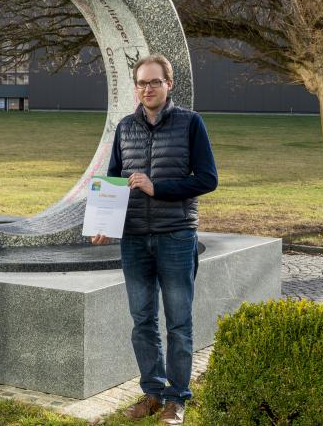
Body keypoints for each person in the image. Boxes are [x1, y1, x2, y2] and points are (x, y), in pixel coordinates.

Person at [91, 54, 217, 425]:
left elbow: (208, 179)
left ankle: (177, 400)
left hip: (175, 236)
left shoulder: (191, 124)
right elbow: (113, 180)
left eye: (154, 82)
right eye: (142, 83)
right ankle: (153, 392)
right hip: (133, 240)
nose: (147, 89)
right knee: (142, 321)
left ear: (169, 85)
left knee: (178, 323)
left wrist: (156, 187)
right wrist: (105, 223)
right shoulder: (124, 128)